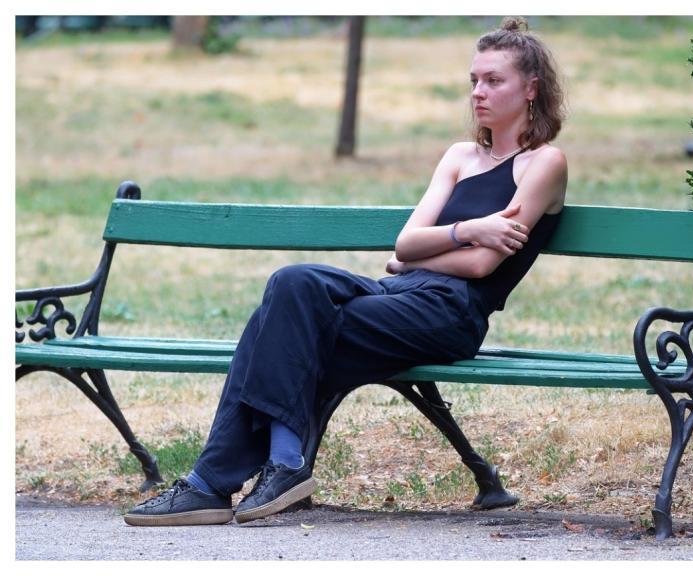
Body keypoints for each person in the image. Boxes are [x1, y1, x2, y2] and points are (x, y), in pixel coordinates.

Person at [123, 16, 568, 527]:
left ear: (531, 87)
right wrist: (469, 228)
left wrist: (426, 252)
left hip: (451, 313)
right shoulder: (460, 156)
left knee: (278, 327)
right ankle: (277, 467)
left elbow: (481, 264)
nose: (478, 93)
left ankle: (218, 481)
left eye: (494, 80)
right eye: (473, 81)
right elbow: (404, 244)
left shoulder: (544, 164)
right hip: (397, 293)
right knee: (292, 284)